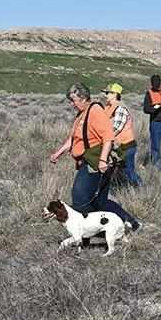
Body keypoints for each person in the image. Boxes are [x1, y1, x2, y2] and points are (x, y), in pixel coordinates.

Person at [51, 83, 139, 230]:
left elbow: (108, 137)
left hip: (95, 162)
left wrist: (103, 160)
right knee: (101, 202)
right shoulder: (81, 114)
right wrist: (58, 153)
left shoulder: (95, 111)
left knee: (80, 197)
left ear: (84, 98)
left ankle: (93, 231)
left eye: (73, 100)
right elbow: (73, 138)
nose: (71, 104)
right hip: (90, 160)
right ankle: (130, 223)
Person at [102, 83, 140, 187]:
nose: (105, 95)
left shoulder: (120, 109)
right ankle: (125, 188)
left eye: (107, 93)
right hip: (117, 147)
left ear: (115, 94)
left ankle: (140, 189)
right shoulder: (108, 108)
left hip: (126, 147)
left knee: (129, 172)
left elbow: (116, 128)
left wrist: (104, 139)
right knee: (120, 171)